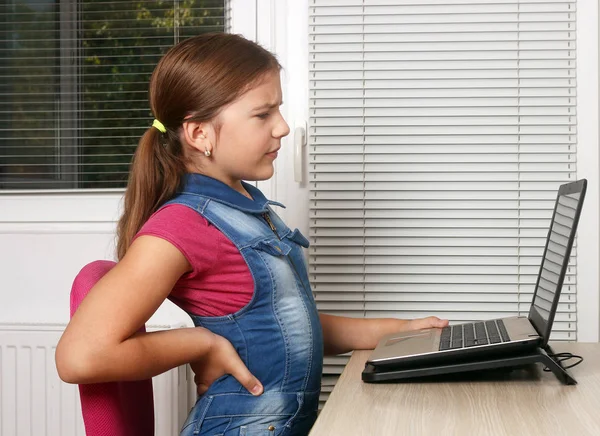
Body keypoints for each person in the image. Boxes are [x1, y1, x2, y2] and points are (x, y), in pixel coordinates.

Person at [56, 32, 448, 435]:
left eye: (278, 110)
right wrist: (201, 343)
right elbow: (80, 357)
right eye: (263, 115)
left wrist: (398, 332)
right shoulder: (183, 226)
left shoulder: (246, 204)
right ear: (199, 134)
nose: (282, 127)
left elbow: (290, 326)